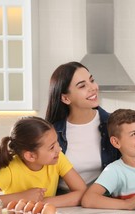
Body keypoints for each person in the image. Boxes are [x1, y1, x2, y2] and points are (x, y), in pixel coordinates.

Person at [0, 116, 87, 208]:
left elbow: (83, 193)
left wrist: (40, 203)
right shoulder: (10, 170)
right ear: (30, 156)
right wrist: (21, 197)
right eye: (52, 147)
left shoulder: (58, 158)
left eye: (57, 142)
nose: (59, 149)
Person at [45, 62, 121, 194]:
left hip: (103, 202)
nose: (93, 88)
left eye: (92, 80)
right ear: (65, 98)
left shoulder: (113, 124)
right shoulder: (51, 132)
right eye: (82, 86)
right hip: (64, 203)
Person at [81, 109, 135, 210]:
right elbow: (88, 199)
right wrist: (127, 204)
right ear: (116, 142)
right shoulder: (114, 171)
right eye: (134, 134)